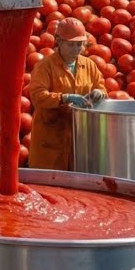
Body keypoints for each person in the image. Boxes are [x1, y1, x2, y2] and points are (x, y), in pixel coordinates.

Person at [26, 17, 107, 171]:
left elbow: (101, 87)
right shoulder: (45, 66)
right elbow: (37, 96)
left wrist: (99, 93)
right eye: (71, 45)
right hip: (51, 136)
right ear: (59, 41)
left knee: (76, 185)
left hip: (79, 137)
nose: (76, 49)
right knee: (48, 185)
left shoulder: (89, 65)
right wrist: (64, 98)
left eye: (79, 45)